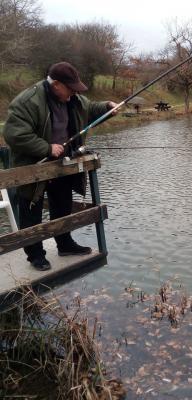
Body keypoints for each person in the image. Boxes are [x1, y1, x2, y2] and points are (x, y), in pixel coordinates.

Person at [4, 61, 118, 271]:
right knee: (32, 211)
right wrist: (46, 148)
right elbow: (14, 134)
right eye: (70, 88)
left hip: (62, 166)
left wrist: (107, 107)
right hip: (34, 167)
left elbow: (89, 108)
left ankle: (65, 244)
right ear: (56, 84)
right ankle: (35, 255)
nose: (74, 93)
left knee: (63, 205)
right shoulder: (29, 100)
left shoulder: (72, 99)